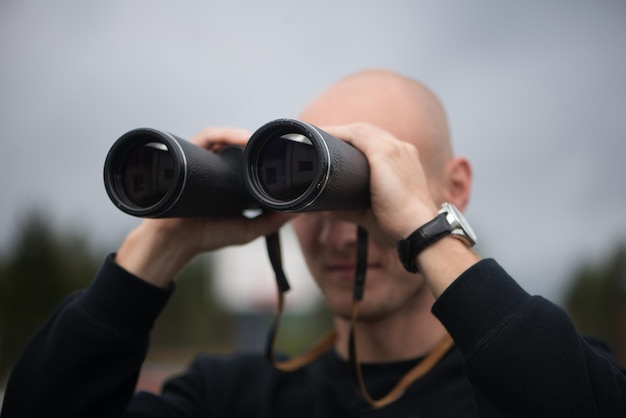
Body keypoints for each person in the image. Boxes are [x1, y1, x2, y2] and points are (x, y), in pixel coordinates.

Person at [1, 69, 625, 417]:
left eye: (364, 191)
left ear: (453, 185)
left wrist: (424, 231)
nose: (334, 230)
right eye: (308, 199)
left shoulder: (550, 378)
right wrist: (162, 241)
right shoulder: (229, 400)